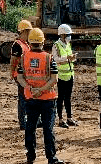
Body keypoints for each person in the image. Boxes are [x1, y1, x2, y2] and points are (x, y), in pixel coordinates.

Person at [17, 28, 65, 164]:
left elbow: (20, 78)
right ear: (43, 42)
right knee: (48, 129)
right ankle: (51, 158)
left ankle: (30, 157)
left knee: (30, 128)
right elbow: (54, 79)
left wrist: (30, 89)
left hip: (30, 98)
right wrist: (41, 90)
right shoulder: (49, 58)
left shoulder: (24, 57)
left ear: (30, 42)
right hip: (47, 99)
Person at [52, 23, 77, 128]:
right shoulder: (56, 45)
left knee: (68, 98)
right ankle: (61, 119)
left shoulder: (67, 44)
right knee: (61, 98)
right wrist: (67, 58)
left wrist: (72, 58)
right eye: (67, 35)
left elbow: (68, 59)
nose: (69, 37)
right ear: (62, 35)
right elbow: (56, 59)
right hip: (61, 76)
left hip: (70, 75)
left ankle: (69, 118)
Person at [10, 19, 33, 131]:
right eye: (29, 31)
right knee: (23, 98)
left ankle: (28, 119)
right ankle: (22, 122)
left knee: (27, 97)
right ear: (24, 31)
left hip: (26, 75)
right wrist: (12, 73)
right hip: (19, 75)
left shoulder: (26, 44)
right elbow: (13, 60)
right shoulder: (17, 45)